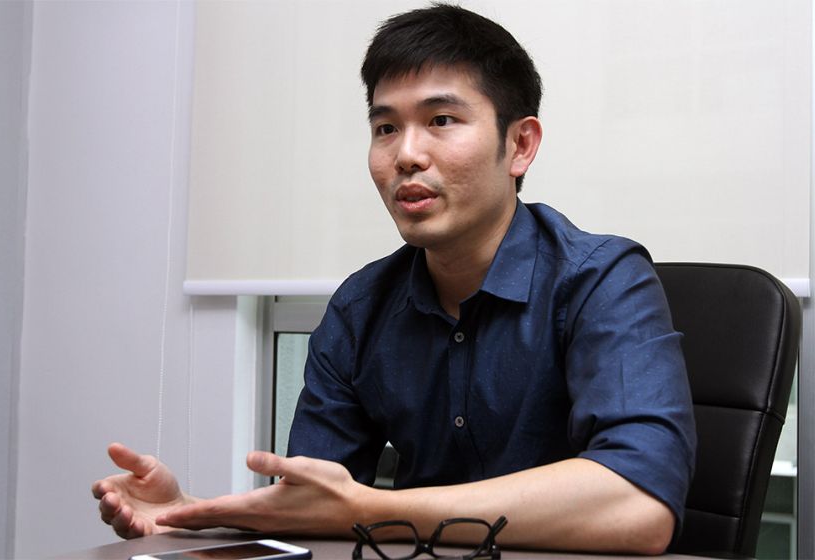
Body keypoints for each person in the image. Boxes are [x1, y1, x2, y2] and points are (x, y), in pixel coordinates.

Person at [93, 4, 696, 554]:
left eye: (440, 119)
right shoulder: (361, 308)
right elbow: (311, 503)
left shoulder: (603, 280)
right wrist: (189, 511)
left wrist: (372, 508)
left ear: (520, 145)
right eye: (385, 128)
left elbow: (638, 506)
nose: (406, 154)